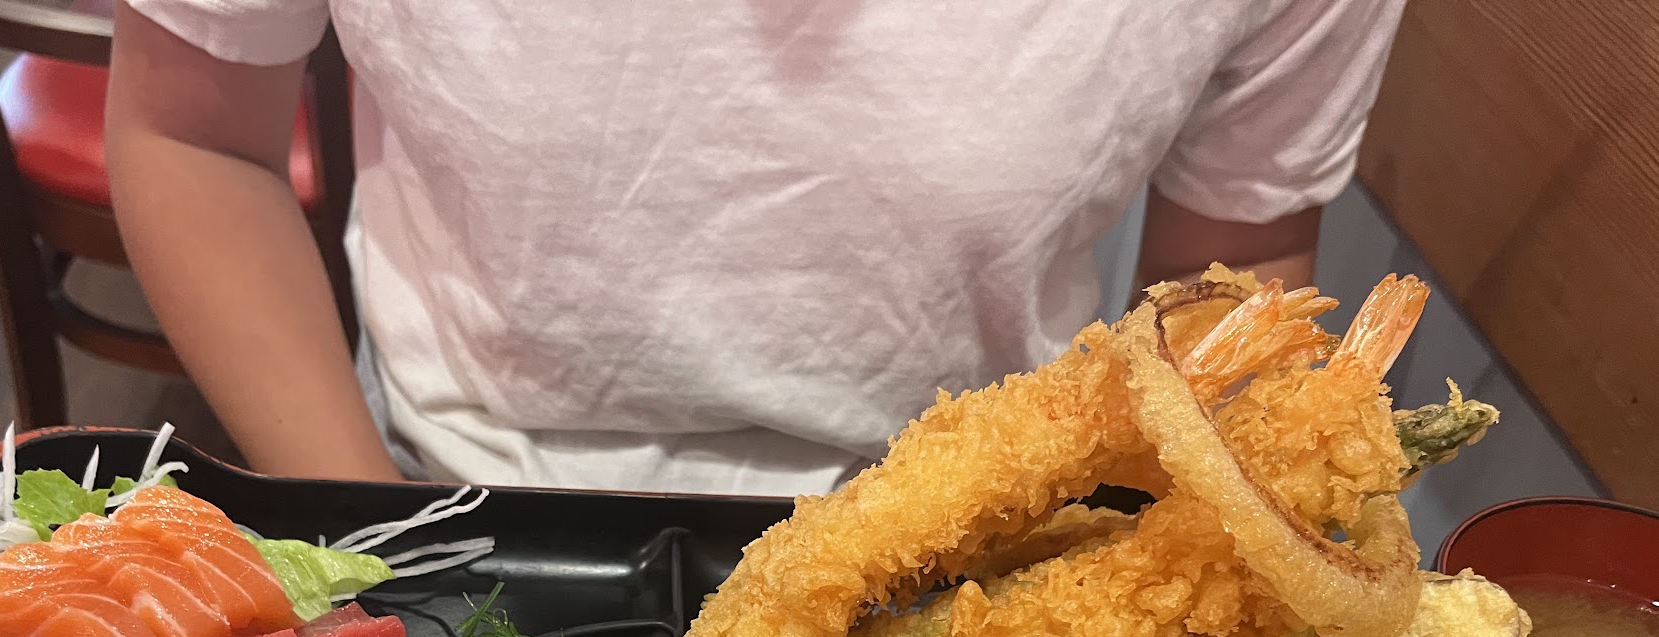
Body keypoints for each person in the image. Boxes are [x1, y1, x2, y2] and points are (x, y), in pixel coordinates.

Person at [106, 2, 1405, 492]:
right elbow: (192, 135)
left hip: (983, 532)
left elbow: (1234, 274)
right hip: (440, 485)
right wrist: (366, 530)